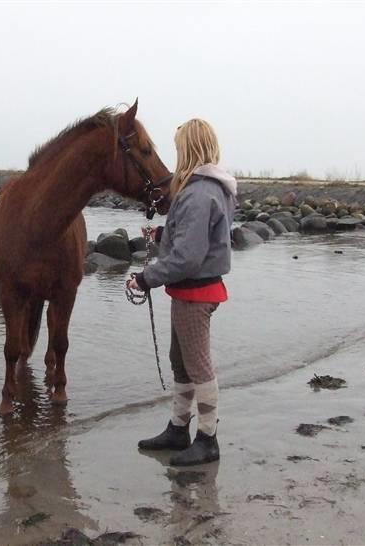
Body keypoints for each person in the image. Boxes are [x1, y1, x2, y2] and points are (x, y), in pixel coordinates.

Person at [128, 118, 237, 466]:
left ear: (187, 149)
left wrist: (145, 278)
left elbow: (188, 259)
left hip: (195, 292)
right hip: (195, 290)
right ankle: (178, 428)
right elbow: (198, 240)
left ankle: (207, 438)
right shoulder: (208, 188)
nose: (174, 155)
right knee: (182, 362)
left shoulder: (198, 193)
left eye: (177, 148)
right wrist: (164, 236)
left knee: (197, 365)